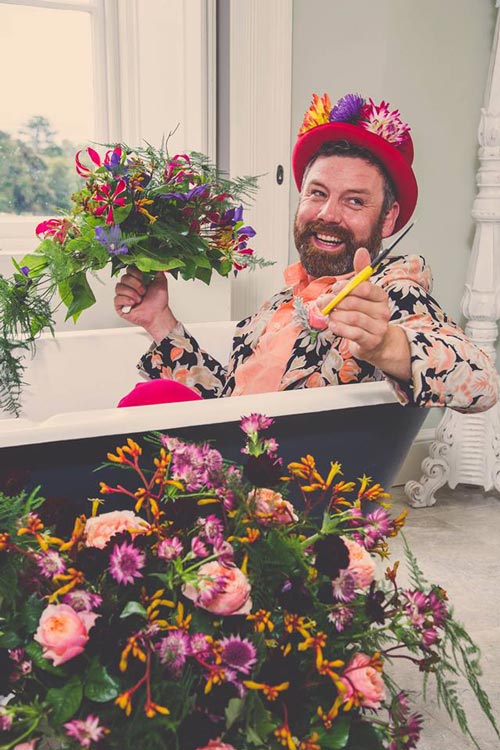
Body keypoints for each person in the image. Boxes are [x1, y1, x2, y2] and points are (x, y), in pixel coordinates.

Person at [114, 91, 498, 413]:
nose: (328, 214)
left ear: (387, 218)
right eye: (317, 193)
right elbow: (228, 409)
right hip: (242, 463)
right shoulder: (277, 306)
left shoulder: (386, 295)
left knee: (145, 404)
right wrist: (159, 321)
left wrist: (387, 345)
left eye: (354, 201)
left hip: (304, 476)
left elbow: (483, 382)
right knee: (149, 402)